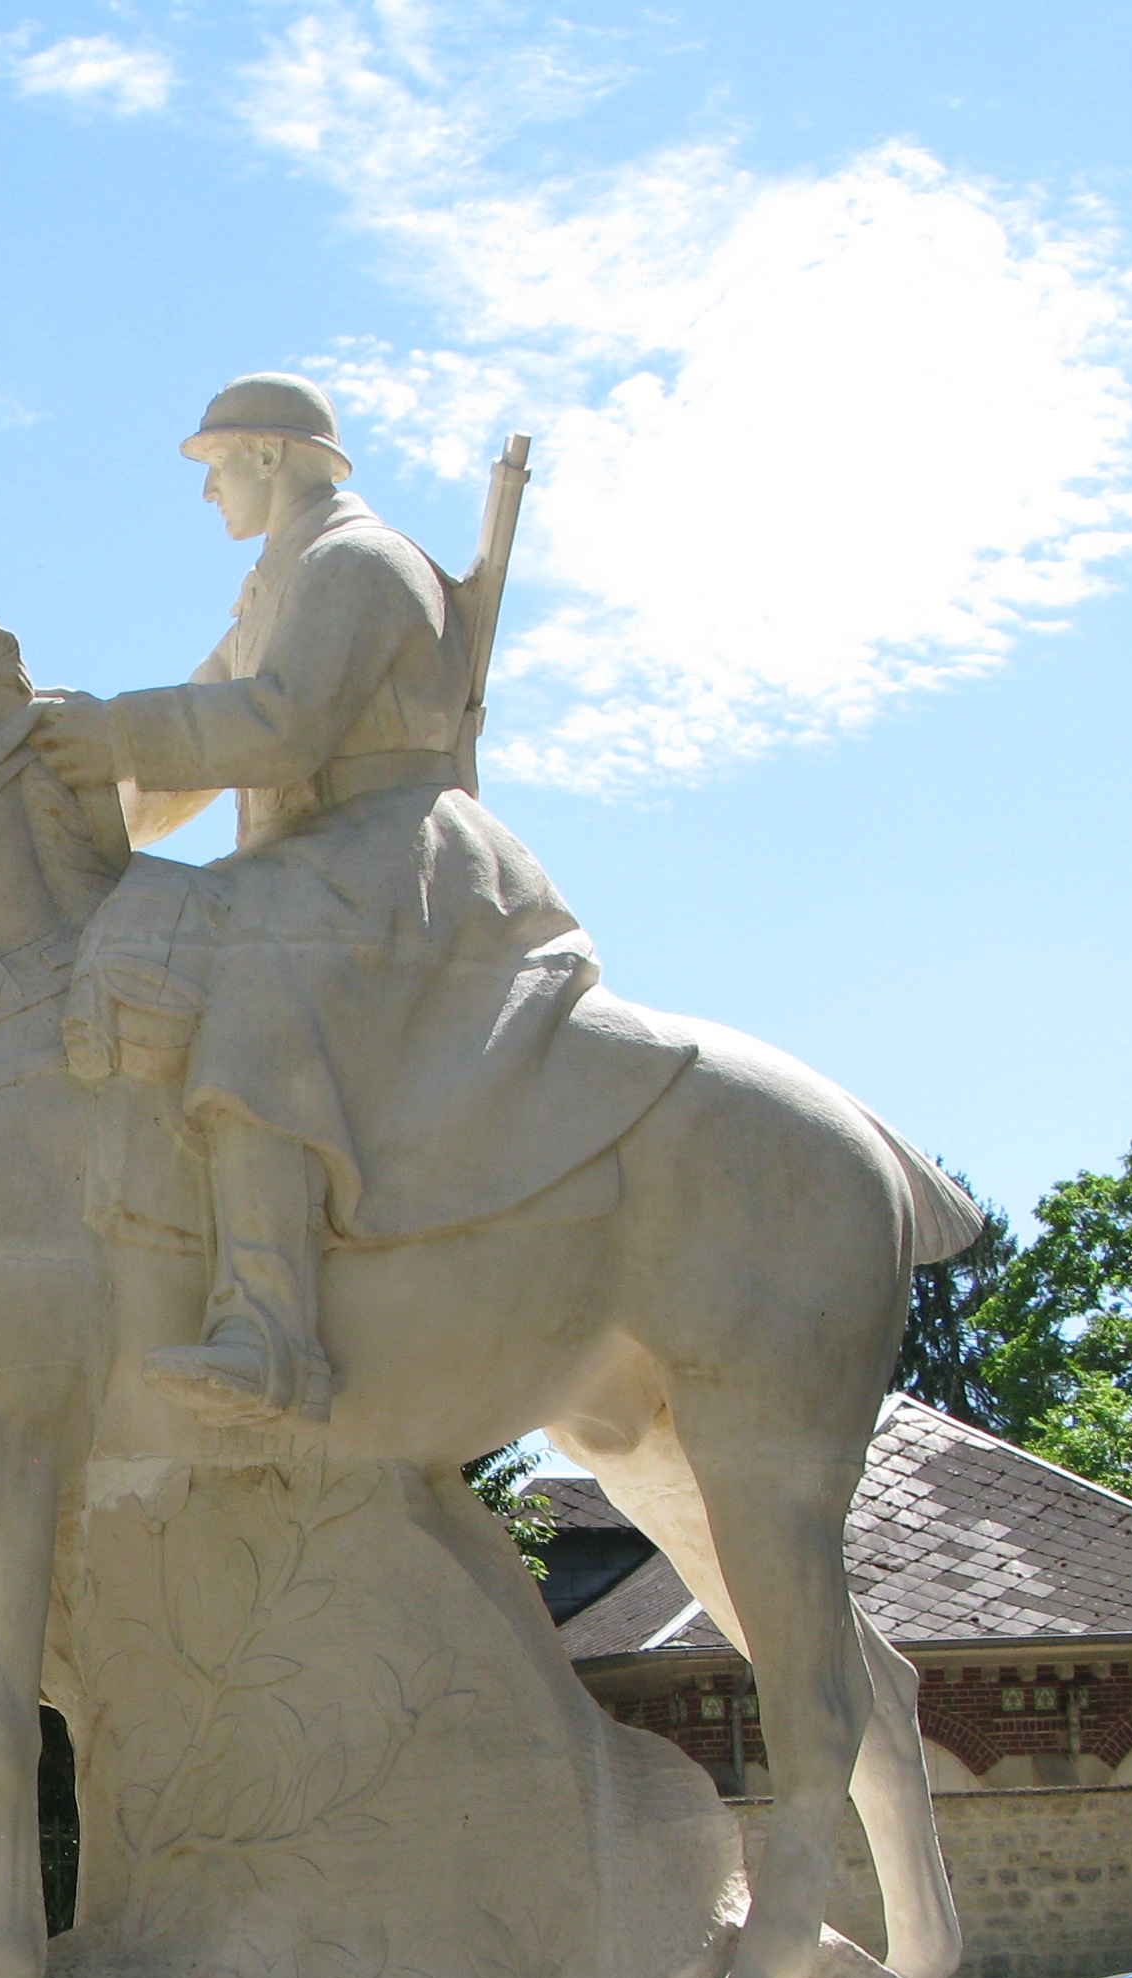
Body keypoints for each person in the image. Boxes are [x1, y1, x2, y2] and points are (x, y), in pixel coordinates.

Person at [34, 375, 689, 1425]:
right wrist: (50, 793)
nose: (205, 495)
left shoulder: (360, 563)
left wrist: (111, 729)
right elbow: (179, 771)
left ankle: (272, 1335)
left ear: (264, 456)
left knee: (257, 980)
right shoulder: (269, 587)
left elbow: (281, 726)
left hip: (391, 854)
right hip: (310, 856)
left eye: (211, 467)